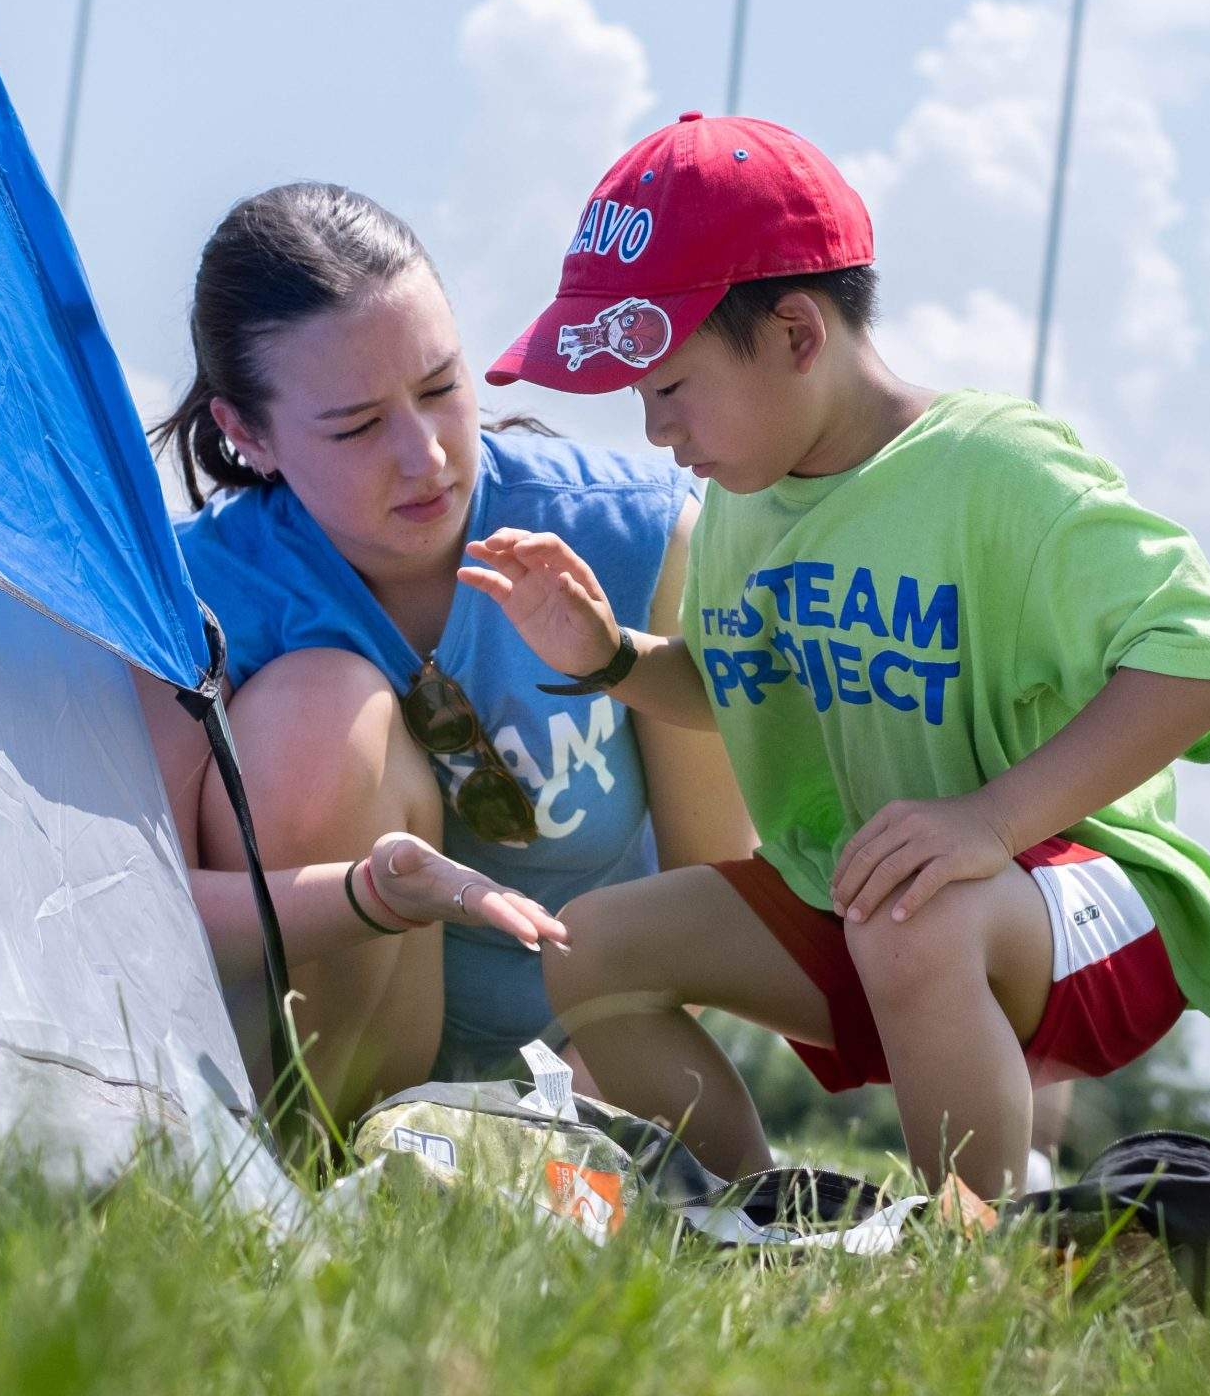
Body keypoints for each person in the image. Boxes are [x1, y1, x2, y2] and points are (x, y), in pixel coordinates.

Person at [458, 112, 1210, 1197]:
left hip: (1090, 905)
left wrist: (988, 822)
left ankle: (972, 1260)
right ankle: (747, 1219)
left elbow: (1205, 658)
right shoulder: (744, 500)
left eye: (668, 386)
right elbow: (734, 684)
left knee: (915, 910)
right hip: (873, 900)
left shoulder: (992, 464)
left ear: (797, 334)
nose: (655, 431)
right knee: (586, 947)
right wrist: (613, 657)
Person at [139, 182, 755, 1119]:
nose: (425, 456)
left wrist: (570, 1110)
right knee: (318, 706)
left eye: (440, 388)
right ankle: (319, 1156)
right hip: (325, 1063)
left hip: (586, 1075)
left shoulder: (634, 536)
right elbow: (143, 904)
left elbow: (716, 896)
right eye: (356, 426)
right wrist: (373, 894)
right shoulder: (189, 598)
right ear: (247, 434)